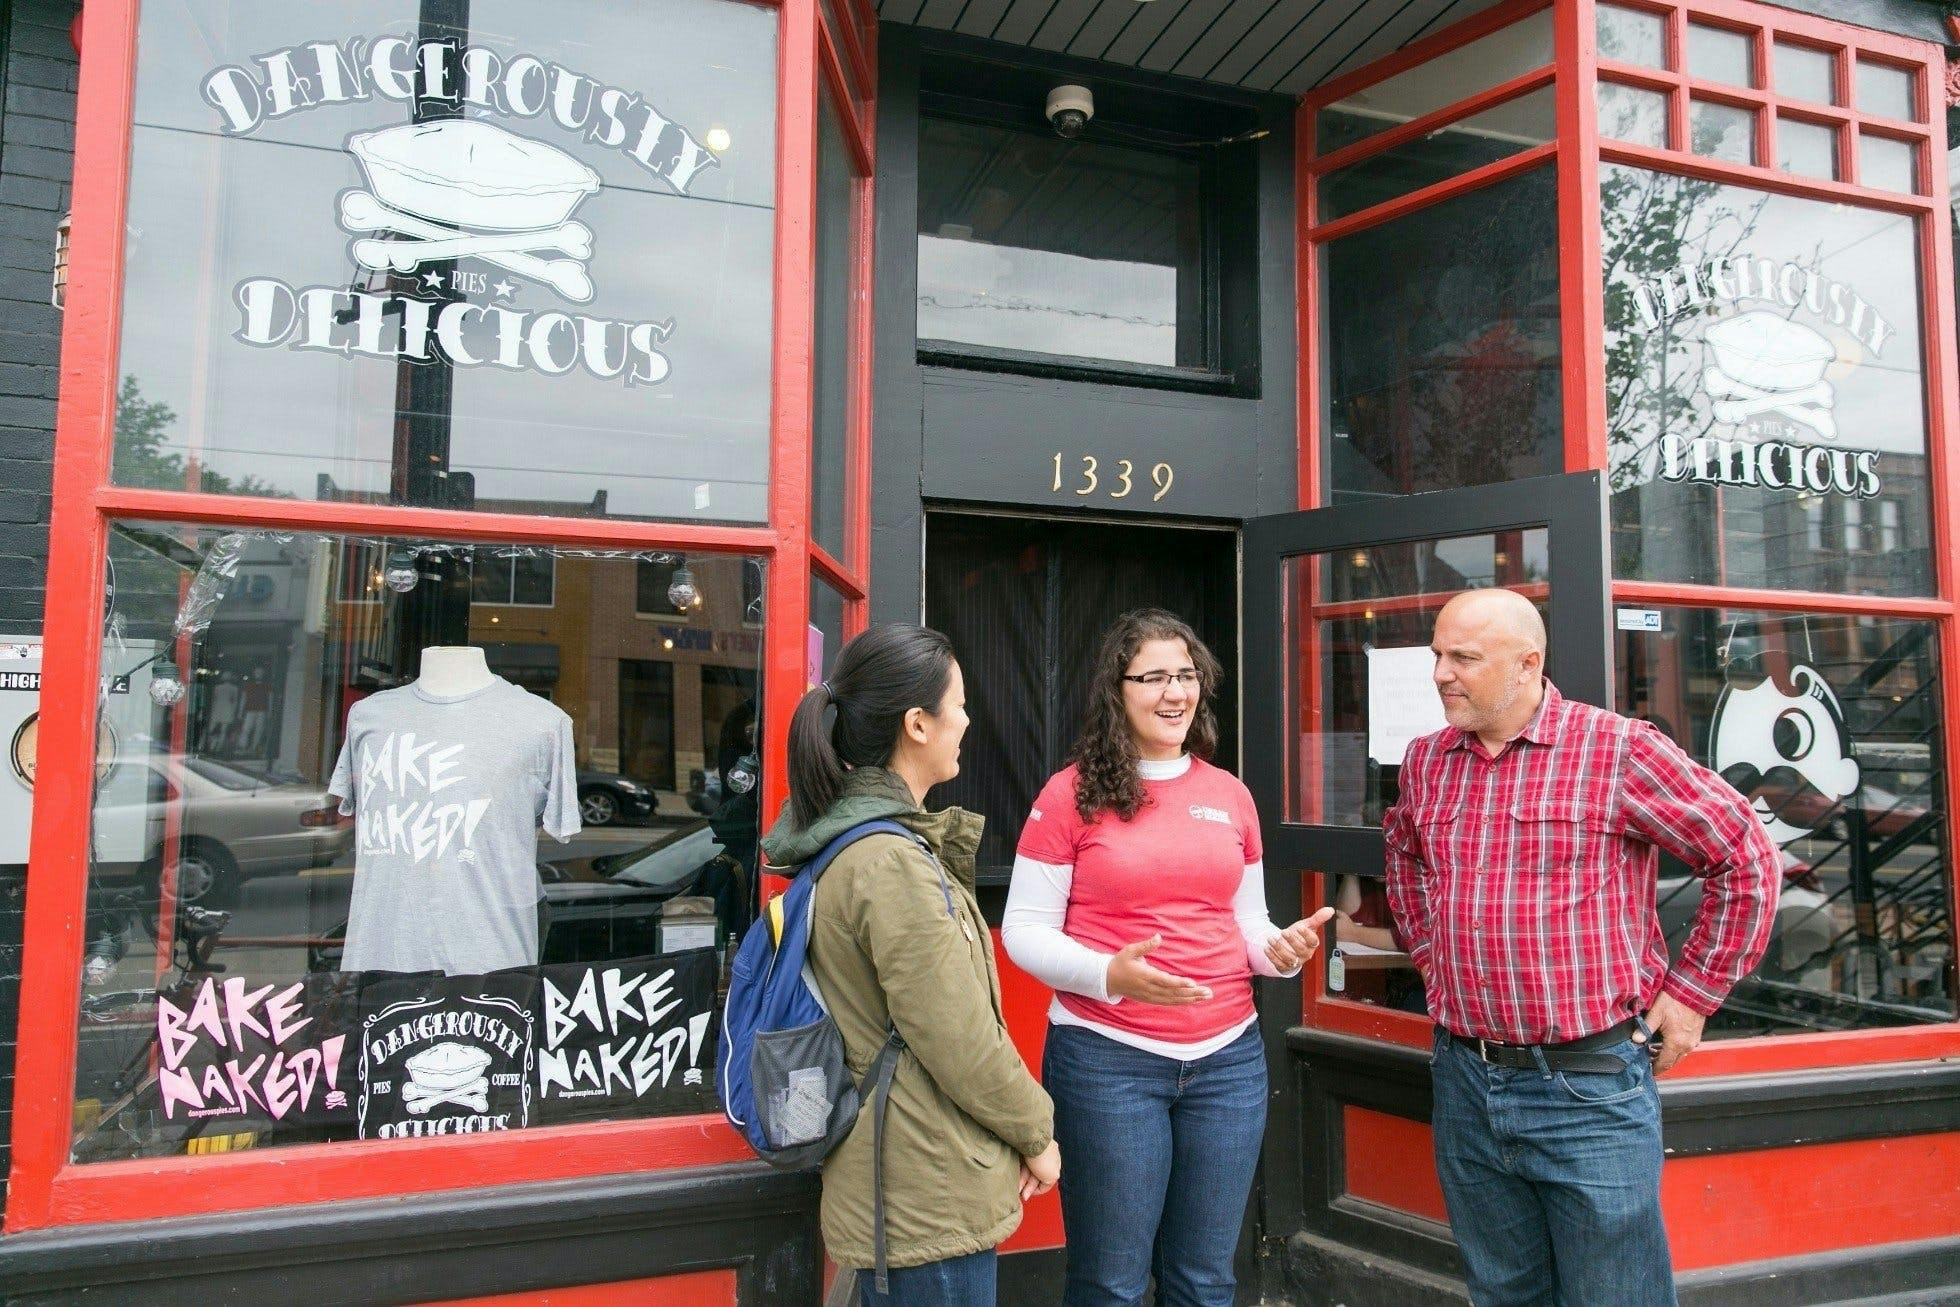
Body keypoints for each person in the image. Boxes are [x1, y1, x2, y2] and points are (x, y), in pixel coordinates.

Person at [1383, 589, 1780, 1307]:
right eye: (1437, 654)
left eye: (1463, 657)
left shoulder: (1617, 748)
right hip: (1466, 1078)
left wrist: (1690, 997)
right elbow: (1405, 856)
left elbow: (1745, 854)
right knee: (1504, 1293)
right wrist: (1433, 955)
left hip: (1587, 1084)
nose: (1441, 672)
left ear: (1528, 662)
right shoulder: (1427, 761)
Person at [1004, 607, 1332, 1307]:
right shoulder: (1070, 794)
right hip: (1106, 1060)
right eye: (1153, 676)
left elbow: (1246, 922)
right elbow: (1023, 929)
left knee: (1205, 1279)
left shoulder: (1229, 795)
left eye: (1185, 675)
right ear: (1116, 690)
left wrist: (1280, 952)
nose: (1174, 692)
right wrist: (1108, 974)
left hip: (1227, 1062)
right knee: (1111, 1282)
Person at [760, 624, 1060, 1307]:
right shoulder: (890, 863)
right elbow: (958, 1037)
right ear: (918, 723)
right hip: (925, 1200)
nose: (967, 719)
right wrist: (1037, 1133)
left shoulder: (863, 844)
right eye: (957, 704)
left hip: (901, 1185)